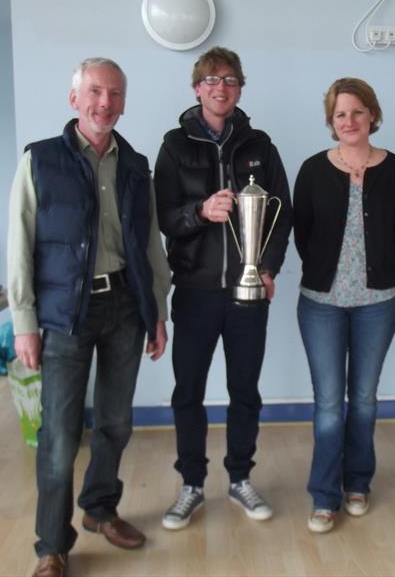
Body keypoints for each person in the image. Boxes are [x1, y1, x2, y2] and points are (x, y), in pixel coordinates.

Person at [7, 57, 171, 577]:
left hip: (124, 306)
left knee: (117, 422)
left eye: (116, 94)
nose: (106, 103)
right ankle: (51, 546)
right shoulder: (40, 160)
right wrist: (24, 321)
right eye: (96, 92)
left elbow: (150, 245)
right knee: (58, 436)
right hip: (62, 316)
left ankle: (101, 509)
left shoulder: (135, 164)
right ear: (73, 97)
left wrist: (157, 312)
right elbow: (19, 244)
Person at [153, 46, 292, 530]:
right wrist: (199, 212)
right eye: (212, 79)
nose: (221, 87)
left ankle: (240, 479)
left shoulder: (260, 145)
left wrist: (268, 268)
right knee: (187, 391)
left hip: (248, 292)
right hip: (193, 291)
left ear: (239, 89)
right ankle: (191, 484)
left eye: (230, 79)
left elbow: (281, 214)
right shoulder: (174, 145)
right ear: (197, 88)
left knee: (245, 390)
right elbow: (161, 215)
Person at [293, 77, 395, 534]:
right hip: (320, 303)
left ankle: (358, 482)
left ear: (372, 116)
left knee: (362, 399)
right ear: (331, 121)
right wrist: (329, 272)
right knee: (329, 404)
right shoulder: (311, 169)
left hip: (378, 304)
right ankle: (325, 497)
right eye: (340, 114)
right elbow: (301, 232)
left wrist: (384, 271)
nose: (349, 121)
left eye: (357, 112)